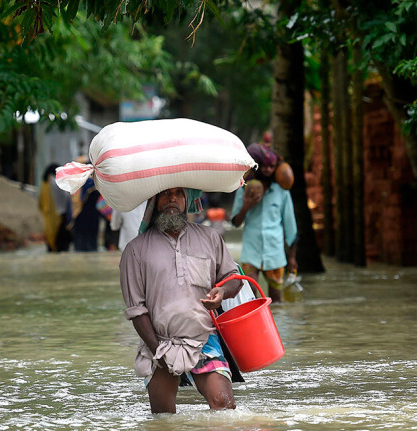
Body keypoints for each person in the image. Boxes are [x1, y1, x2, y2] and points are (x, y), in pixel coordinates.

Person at [119, 187, 243, 414]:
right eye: (165, 193)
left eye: (178, 193)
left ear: (188, 200)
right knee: (164, 421)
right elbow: (137, 310)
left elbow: (234, 279)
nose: (172, 198)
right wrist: (159, 351)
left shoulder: (210, 237)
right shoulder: (135, 251)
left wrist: (223, 292)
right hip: (159, 344)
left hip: (204, 339)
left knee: (225, 409)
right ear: (154, 200)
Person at [231, 144, 298, 302]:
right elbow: (235, 222)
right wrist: (246, 207)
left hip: (275, 253)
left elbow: (291, 228)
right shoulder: (244, 189)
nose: (268, 170)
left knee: (276, 299)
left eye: (272, 166)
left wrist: (293, 259)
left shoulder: (282, 191)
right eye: (264, 166)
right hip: (251, 252)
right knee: (250, 294)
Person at [38, 163, 72, 252]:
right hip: (60, 214)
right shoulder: (55, 182)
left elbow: (40, 202)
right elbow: (66, 197)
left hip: (48, 216)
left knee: (51, 240)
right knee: (61, 243)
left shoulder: (44, 184)